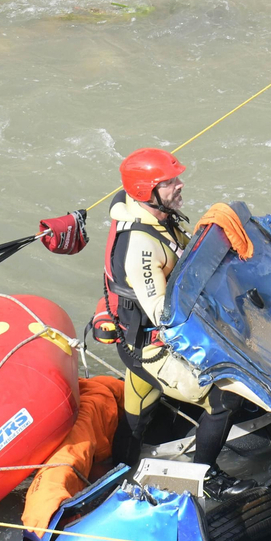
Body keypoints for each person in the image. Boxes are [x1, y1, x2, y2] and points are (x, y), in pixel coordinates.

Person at [99, 148, 253, 499]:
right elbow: (164, 316)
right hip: (153, 348)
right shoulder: (141, 245)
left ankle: (116, 474)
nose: (179, 185)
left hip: (136, 342)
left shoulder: (156, 216)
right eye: (169, 182)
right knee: (224, 398)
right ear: (145, 191)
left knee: (136, 418)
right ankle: (206, 478)